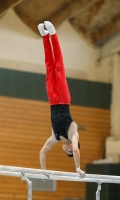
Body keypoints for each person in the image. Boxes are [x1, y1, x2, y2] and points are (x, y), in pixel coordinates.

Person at [38, 21, 85, 177]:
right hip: (64, 99)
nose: (67, 151)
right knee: (58, 67)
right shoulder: (73, 134)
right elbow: (77, 149)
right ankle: (53, 34)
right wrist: (77, 167)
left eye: (67, 153)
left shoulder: (55, 136)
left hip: (52, 100)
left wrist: (43, 172)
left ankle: (45, 37)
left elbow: (43, 151)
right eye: (69, 152)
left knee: (49, 67)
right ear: (74, 145)